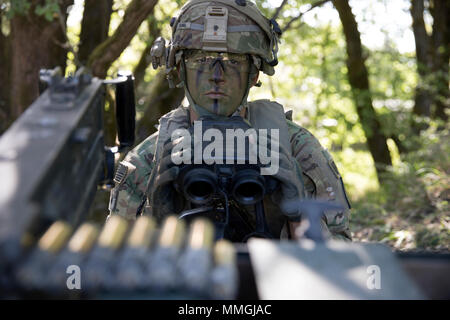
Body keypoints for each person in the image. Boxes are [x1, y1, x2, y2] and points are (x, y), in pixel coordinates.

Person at [107, 0, 351, 241]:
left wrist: (299, 214)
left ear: (254, 74)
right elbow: (113, 267)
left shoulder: (296, 149)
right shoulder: (150, 160)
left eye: (233, 62)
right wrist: (157, 218)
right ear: (180, 69)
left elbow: (340, 265)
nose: (216, 76)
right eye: (200, 61)